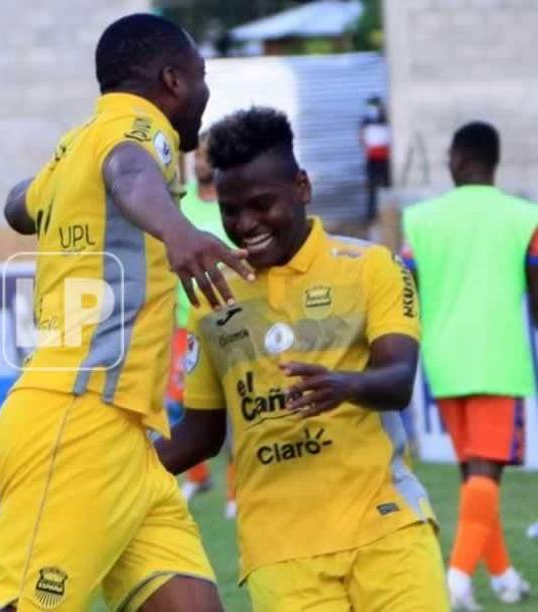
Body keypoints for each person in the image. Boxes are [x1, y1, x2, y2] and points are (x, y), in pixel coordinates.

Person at [0, 14, 252, 612]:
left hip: (128, 437)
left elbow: (15, 207)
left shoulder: (80, 143)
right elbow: (131, 171)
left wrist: (57, 180)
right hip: (77, 422)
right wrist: (177, 230)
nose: (206, 92)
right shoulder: (143, 130)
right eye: (201, 76)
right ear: (172, 81)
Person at [157, 106, 445, 611]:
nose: (246, 225)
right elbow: (201, 433)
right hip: (280, 552)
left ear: (302, 187)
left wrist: (344, 385)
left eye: (261, 205)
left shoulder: (370, 266)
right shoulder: (212, 300)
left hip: (387, 528)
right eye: (230, 210)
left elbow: (399, 379)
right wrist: (113, 470)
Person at [402, 120, 536, 609]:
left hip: (443, 362)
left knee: (473, 477)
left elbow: (407, 289)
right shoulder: (526, 217)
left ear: (460, 158)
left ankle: (502, 577)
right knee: (486, 475)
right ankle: (456, 579)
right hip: (498, 359)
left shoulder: (420, 219)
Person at [168, 132, 236, 514]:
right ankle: (197, 475)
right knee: (179, 402)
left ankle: (236, 493)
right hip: (186, 321)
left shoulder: (232, 203)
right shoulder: (182, 204)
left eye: (206, 157)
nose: (199, 163)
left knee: (236, 407)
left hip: (230, 318)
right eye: (196, 157)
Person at [360, 95, 391, 220]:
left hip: (385, 159)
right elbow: (361, 138)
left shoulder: (386, 120)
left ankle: (387, 213)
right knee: (372, 188)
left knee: (386, 187)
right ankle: (371, 215)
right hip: (371, 159)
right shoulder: (365, 122)